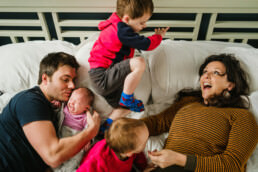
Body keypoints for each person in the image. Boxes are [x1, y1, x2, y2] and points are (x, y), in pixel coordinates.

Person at [142, 54, 258, 172]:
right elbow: (157, 123)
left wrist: (179, 159)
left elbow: (232, 165)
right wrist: (124, 129)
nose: (206, 76)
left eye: (216, 73)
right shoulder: (189, 104)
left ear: (230, 85)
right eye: (204, 72)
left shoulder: (242, 116)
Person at [0, 52, 101, 172]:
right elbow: (53, 156)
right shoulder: (30, 101)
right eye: (65, 79)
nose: (72, 85)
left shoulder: (54, 110)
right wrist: (91, 131)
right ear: (45, 79)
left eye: (74, 80)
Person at [88, 0, 169, 114]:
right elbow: (146, 44)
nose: (144, 26)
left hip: (104, 81)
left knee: (124, 109)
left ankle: (106, 127)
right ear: (126, 19)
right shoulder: (122, 31)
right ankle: (127, 99)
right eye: (141, 22)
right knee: (139, 62)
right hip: (103, 76)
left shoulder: (114, 22)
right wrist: (158, 37)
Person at [77, 117, 149, 172]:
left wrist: (144, 167)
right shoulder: (100, 160)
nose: (146, 142)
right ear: (129, 152)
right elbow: (84, 168)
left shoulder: (129, 147)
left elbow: (138, 156)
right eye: (144, 142)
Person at [53, 87, 94, 172]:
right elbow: (54, 115)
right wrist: (56, 106)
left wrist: (88, 139)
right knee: (56, 154)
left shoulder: (85, 117)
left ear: (86, 108)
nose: (71, 103)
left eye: (77, 102)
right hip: (62, 137)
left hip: (76, 140)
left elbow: (90, 129)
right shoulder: (63, 107)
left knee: (76, 156)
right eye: (71, 99)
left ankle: (69, 169)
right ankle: (55, 169)